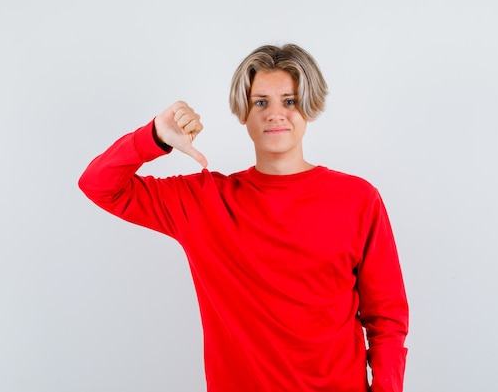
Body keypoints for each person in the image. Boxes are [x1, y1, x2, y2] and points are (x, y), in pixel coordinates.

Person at [78, 44, 409, 392]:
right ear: (243, 112)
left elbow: (386, 317)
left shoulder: (357, 199)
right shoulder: (203, 201)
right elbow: (99, 185)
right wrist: (154, 136)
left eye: (290, 101)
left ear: (309, 108)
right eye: (261, 102)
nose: (275, 114)